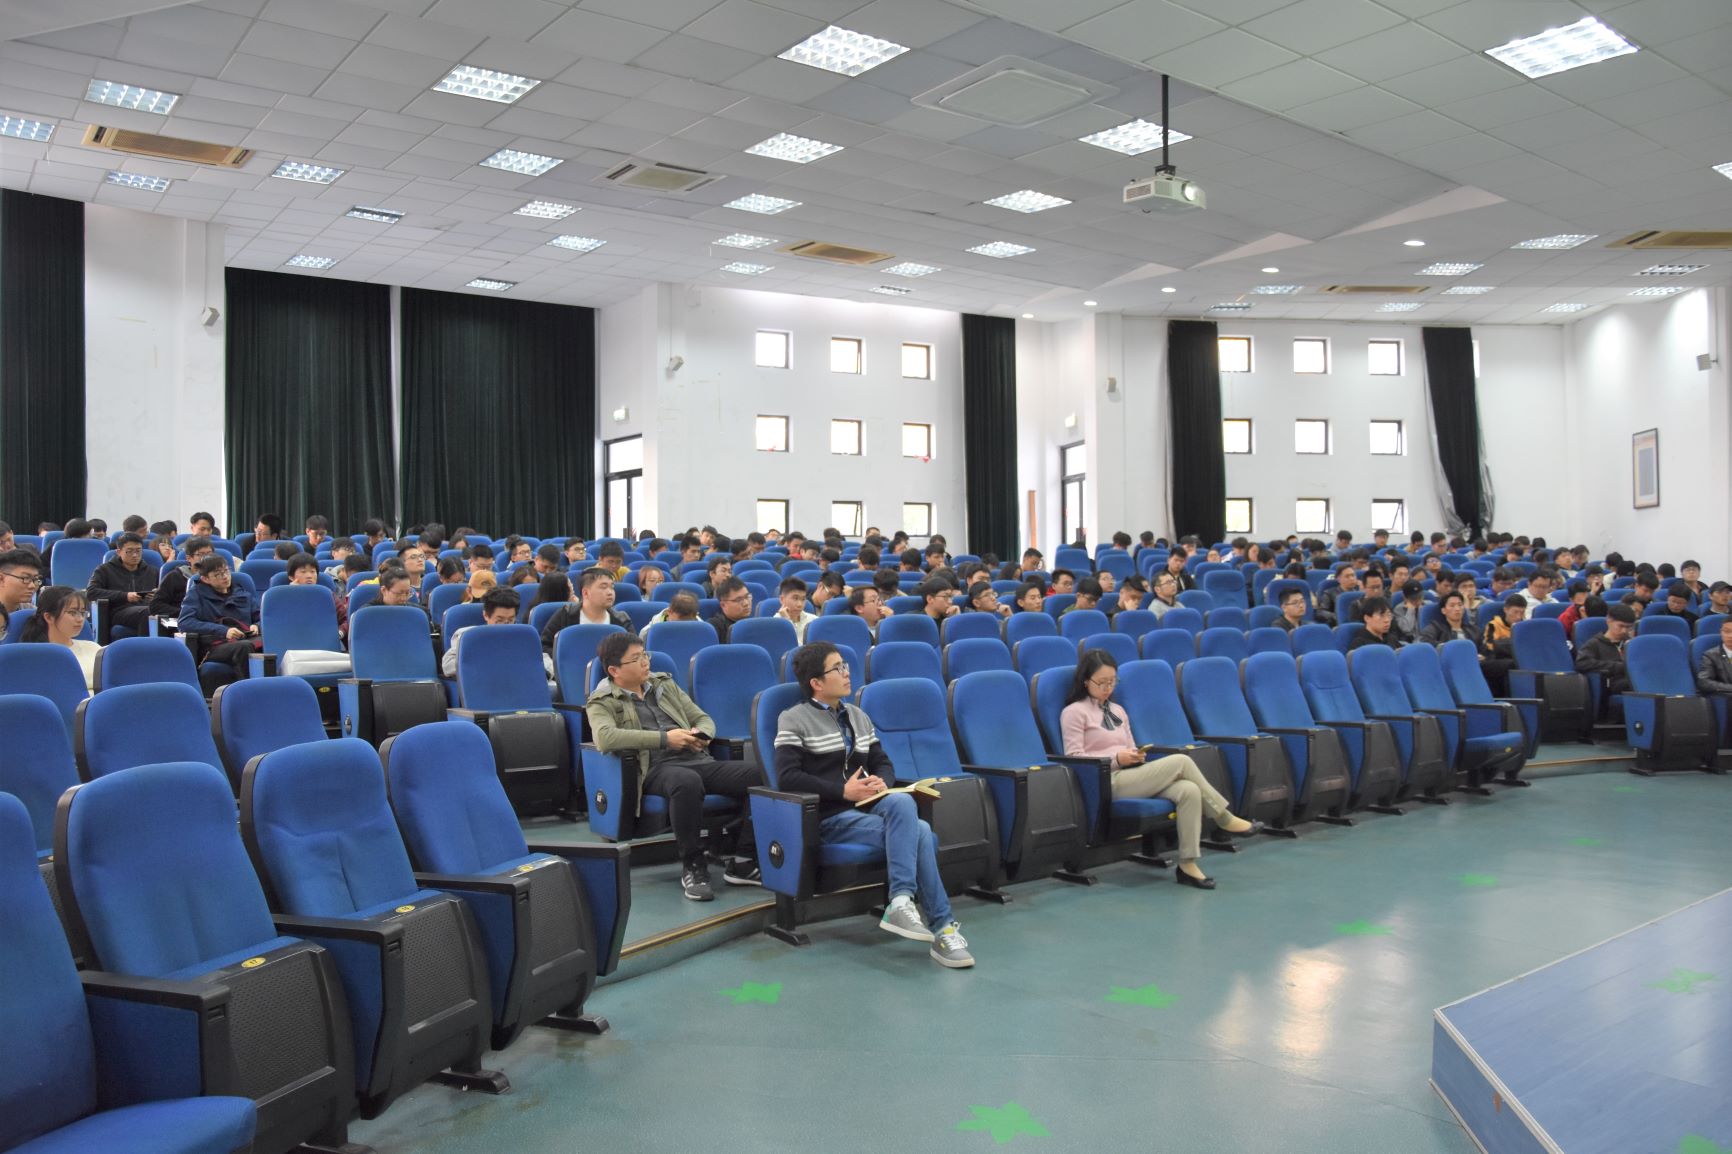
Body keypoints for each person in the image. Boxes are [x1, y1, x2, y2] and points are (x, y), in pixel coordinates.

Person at [773, 641, 973, 967]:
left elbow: (883, 762)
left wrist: (882, 782)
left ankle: (901, 901)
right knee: (921, 832)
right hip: (828, 817)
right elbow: (787, 778)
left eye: (845, 665)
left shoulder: (858, 716)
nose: (846, 672)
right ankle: (942, 928)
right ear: (816, 682)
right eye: (837, 668)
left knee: (902, 801)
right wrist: (842, 792)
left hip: (868, 809)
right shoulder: (793, 719)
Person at [1060, 650, 1261, 889]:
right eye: (1102, 682)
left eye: (1112, 681)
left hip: (1130, 775)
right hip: (1105, 781)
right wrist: (1116, 759)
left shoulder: (1118, 710)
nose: (1108, 688)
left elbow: (1129, 745)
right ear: (1086, 681)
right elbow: (1075, 758)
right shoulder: (1074, 712)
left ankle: (1187, 865)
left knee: (1188, 790)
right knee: (1181, 761)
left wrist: (1135, 755)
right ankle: (1224, 818)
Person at [587, 633, 762, 900]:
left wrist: (701, 734)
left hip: (696, 759)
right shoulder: (602, 700)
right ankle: (693, 864)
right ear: (614, 670)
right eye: (636, 659)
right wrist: (665, 739)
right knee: (686, 781)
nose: (645, 662)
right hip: (654, 768)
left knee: (760, 774)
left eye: (645, 655)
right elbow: (605, 738)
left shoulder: (663, 684)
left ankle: (743, 859)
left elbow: (702, 718)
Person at [178, 553, 259, 695]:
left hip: (247, 638)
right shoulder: (196, 594)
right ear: (205, 579)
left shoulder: (242, 593)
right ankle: (250, 694)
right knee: (244, 647)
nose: (225, 577)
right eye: (218, 575)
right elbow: (185, 622)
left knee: (265, 644)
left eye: (226, 571)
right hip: (215, 645)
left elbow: (261, 617)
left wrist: (257, 625)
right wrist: (223, 631)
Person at [18, 586, 101, 689]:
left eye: (83, 613)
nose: (80, 619)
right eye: (72, 613)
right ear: (49, 617)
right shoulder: (35, 656)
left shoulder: (94, 648)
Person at [540, 568, 634, 652]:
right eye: (603, 587)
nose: (610, 592)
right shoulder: (566, 615)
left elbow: (634, 650)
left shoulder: (621, 619)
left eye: (612, 587)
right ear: (585, 593)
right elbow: (544, 646)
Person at [85, 531, 158, 638]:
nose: (135, 555)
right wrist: (125, 596)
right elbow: (91, 592)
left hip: (146, 608)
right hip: (118, 611)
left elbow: (162, 592)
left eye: (138, 551)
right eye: (129, 551)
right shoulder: (105, 570)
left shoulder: (152, 571)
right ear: (119, 552)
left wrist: (157, 595)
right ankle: (145, 646)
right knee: (147, 613)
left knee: (161, 611)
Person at [1576, 602, 1635, 699]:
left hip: (1632, 678)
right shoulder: (1595, 643)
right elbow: (1582, 663)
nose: (1624, 631)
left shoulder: (1631, 643)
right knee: (1635, 684)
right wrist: (1617, 666)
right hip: (1612, 682)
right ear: (1609, 621)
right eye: (1621, 626)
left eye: (1628, 627)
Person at [1480, 593, 1526, 696]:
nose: (1518, 617)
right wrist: (1512, 646)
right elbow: (1491, 647)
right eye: (1515, 612)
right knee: (1512, 664)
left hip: (1513, 659)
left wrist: (1505, 643)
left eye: (1522, 613)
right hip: (1494, 660)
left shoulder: (1524, 627)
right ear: (1506, 610)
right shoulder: (1493, 625)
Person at [707, 576, 753, 643]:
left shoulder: (754, 623)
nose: (746, 603)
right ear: (723, 605)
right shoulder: (714, 627)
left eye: (747, 597)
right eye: (738, 600)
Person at [774, 576, 818, 642]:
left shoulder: (814, 620)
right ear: (782, 599)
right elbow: (792, 644)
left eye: (803, 599)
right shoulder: (776, 623)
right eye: (795, 598)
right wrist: (787, 621)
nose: (800, 604)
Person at [1695, 618, 1732, 696]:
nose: (1730, 636)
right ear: (1721, 632)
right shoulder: (1710, 655)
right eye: (1727, 631)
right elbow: (1704, 682)